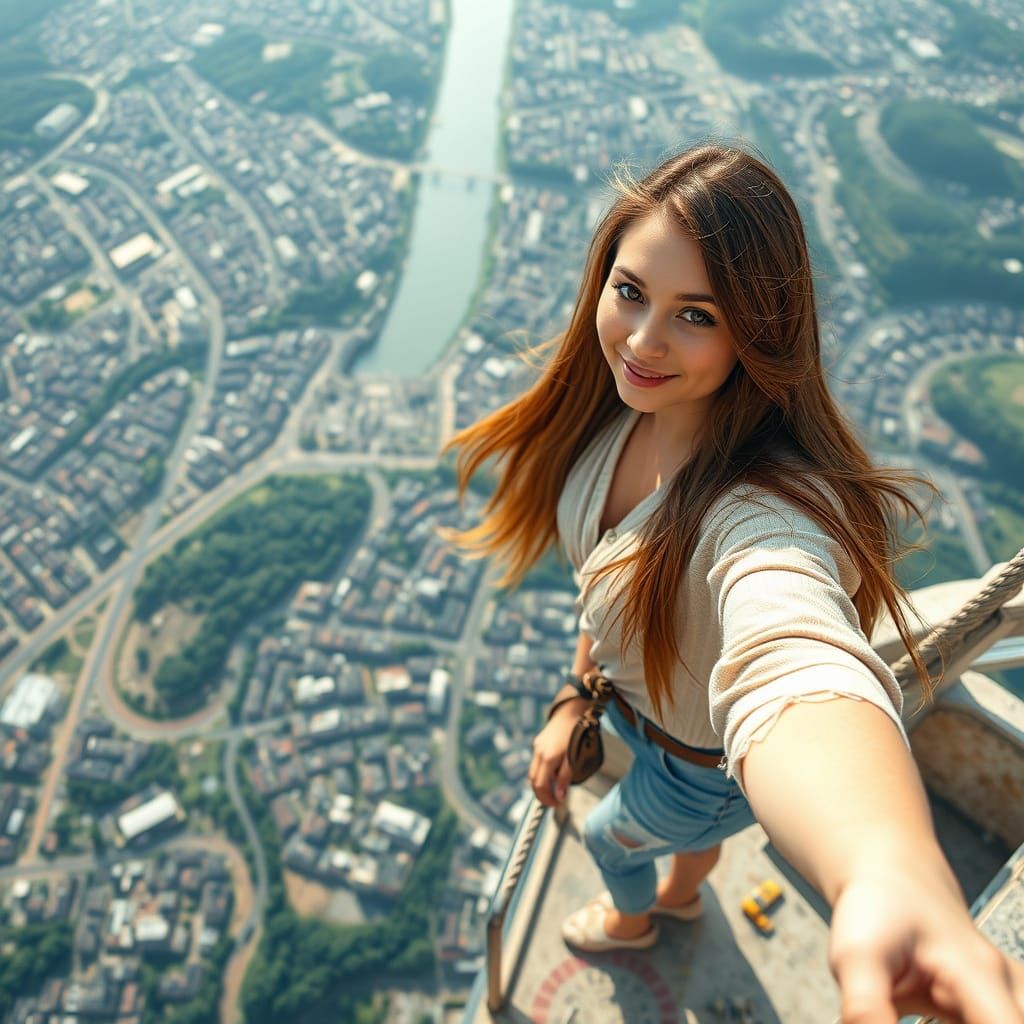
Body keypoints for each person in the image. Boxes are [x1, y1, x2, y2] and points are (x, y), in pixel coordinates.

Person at [438, 143, 1024, 1022]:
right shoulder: (617, 418)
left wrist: (885, 868)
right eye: (631, 291)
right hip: (647, 726)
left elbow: (792, 657)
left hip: (704, 768)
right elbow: (609, 603)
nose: (642, 340)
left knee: (608, 836)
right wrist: (574, 696)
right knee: (671, 836)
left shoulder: (762, 509)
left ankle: (644, 916)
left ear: (760, 332)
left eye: (698, 315)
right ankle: (682, 886)